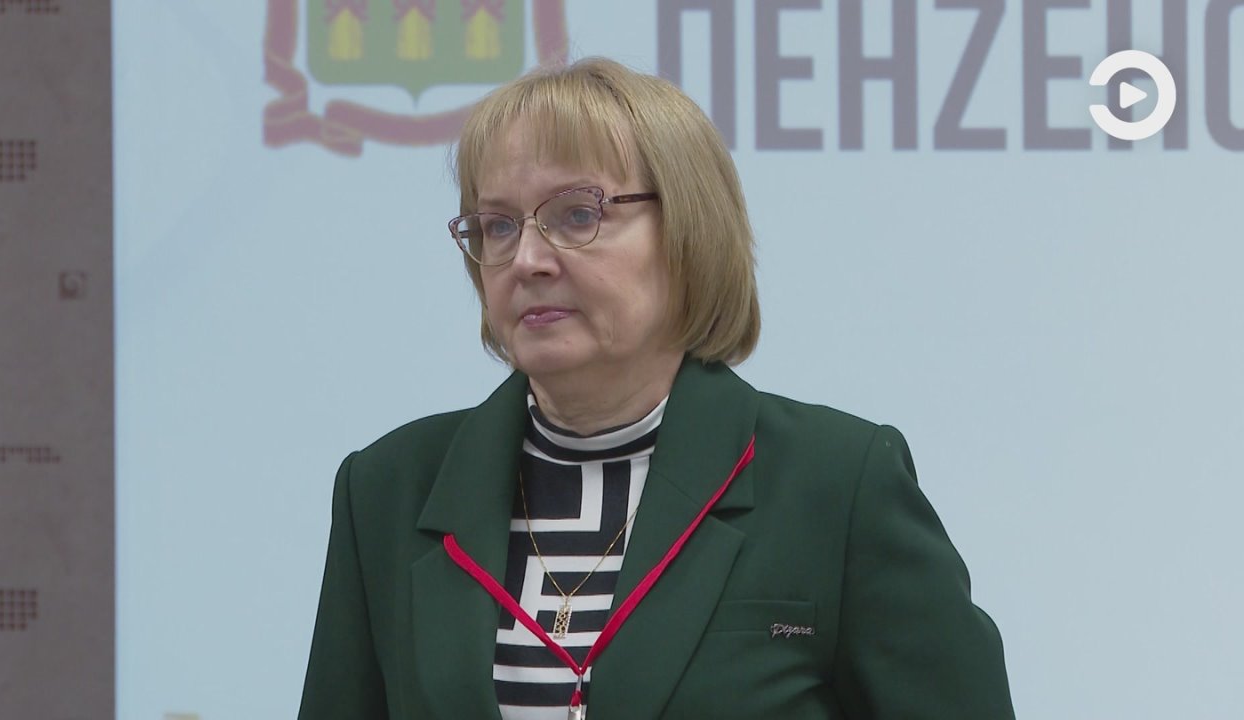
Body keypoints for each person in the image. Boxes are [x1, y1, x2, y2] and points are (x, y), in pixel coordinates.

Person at [298, 57, 1015, 720]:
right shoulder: (388, 489)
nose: (527, 259)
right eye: (499, 226)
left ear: (687, 232)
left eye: (578, 214)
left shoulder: (839, 483)